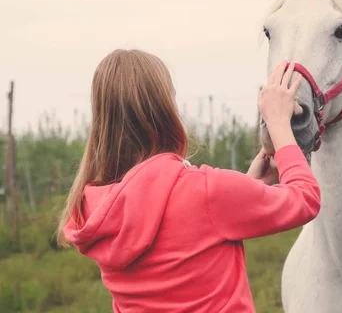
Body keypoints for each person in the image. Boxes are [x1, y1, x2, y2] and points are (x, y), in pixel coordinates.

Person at [56, 49, 320, 313]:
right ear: (163, 108)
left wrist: (250, 185)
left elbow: (185, 228)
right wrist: (278, 123)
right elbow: (305, 198)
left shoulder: (96, 209)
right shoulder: (206, 191)